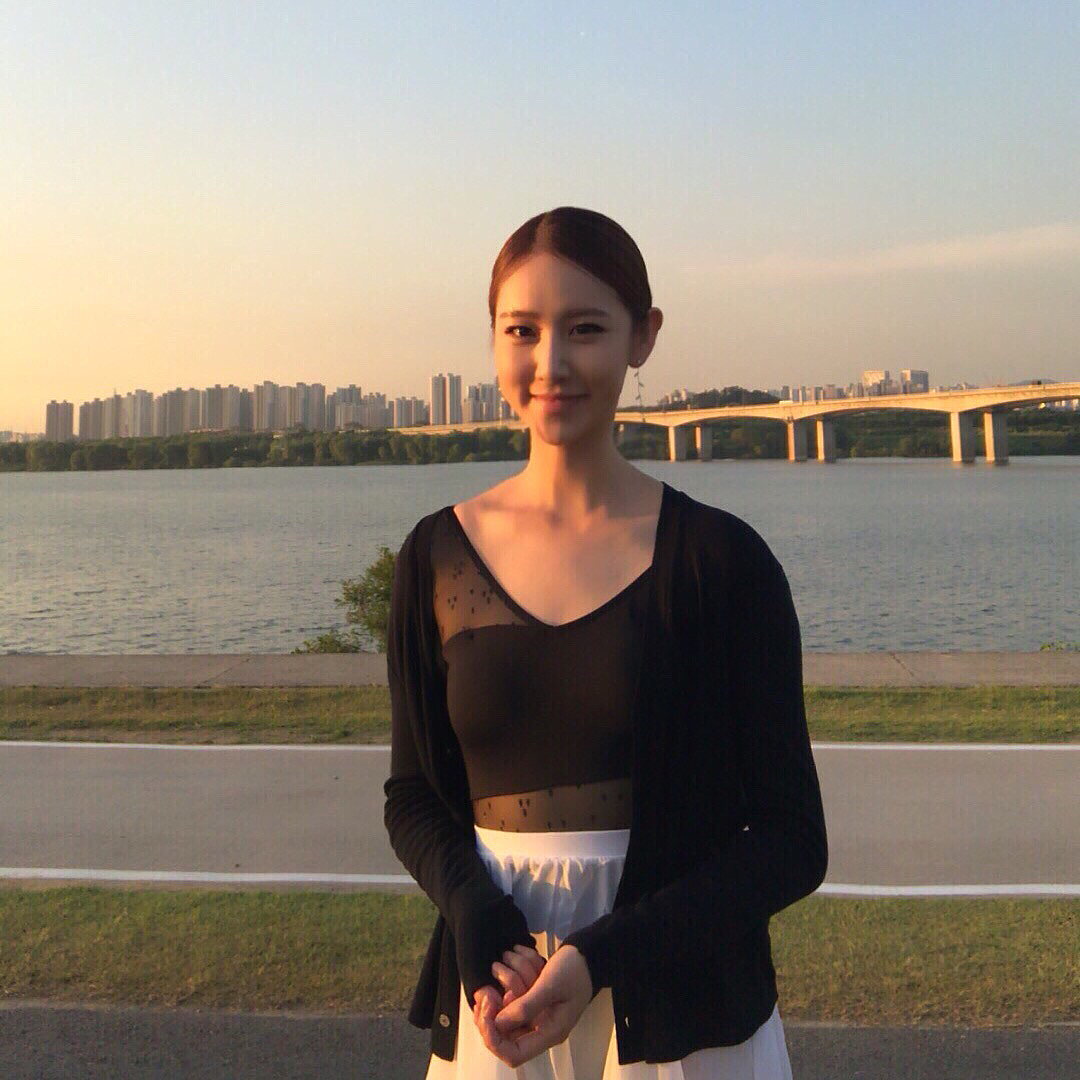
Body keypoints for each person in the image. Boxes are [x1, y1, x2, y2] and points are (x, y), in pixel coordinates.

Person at [384, 206, 828, 1078]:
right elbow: (414, 797)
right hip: (502, 1005)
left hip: (688, 1022)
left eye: (585, 329)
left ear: (643, 336)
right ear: (494, 340)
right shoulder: (435, 556)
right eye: (522, 330)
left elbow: (790, 839)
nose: (550, 363)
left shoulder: (721, 562)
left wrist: (602, 956)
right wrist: (474, 912)